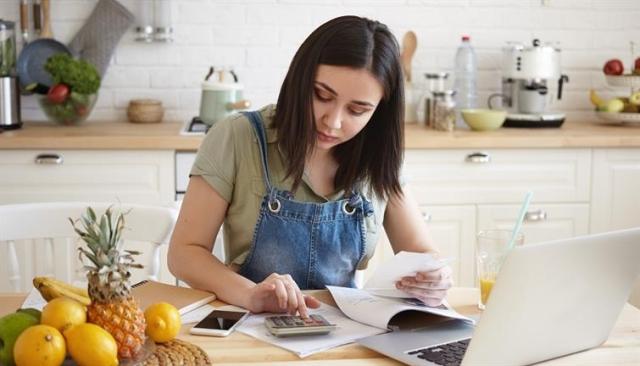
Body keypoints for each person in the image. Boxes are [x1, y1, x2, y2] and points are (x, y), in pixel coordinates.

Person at [168, 15, 453, 318]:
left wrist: (434, 276)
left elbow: (420, 252)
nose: (333, 121)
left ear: (379, 111)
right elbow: (184, 253)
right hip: (252, 325)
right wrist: (249, 294)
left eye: (358, 110)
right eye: (322, 96)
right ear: (300, 80)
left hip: (344, 331)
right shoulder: (237, 137)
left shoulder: (377, 156)